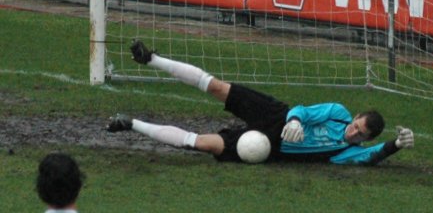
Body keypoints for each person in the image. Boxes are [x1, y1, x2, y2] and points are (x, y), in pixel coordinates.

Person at [106, 40, 414, 165]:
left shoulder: (345, 152)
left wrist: (395, 146)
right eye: (356, 126)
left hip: (269, 147)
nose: (353, 133)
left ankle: (131, 124)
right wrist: (294, 121)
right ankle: (152, 59)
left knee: (204, 144)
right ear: (356, 116)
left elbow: (372, 157)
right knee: (215, 87)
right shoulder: (338, 114)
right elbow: (305, 112)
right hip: (277, 115)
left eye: (360, 135)